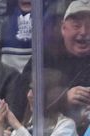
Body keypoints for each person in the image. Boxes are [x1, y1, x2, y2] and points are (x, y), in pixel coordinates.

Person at [10, 0, 90, 128]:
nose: (84, 32)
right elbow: (21, 96)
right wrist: (64, 99)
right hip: (45, 134)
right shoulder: (45, 56)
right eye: (76, 26)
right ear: (63, 28)